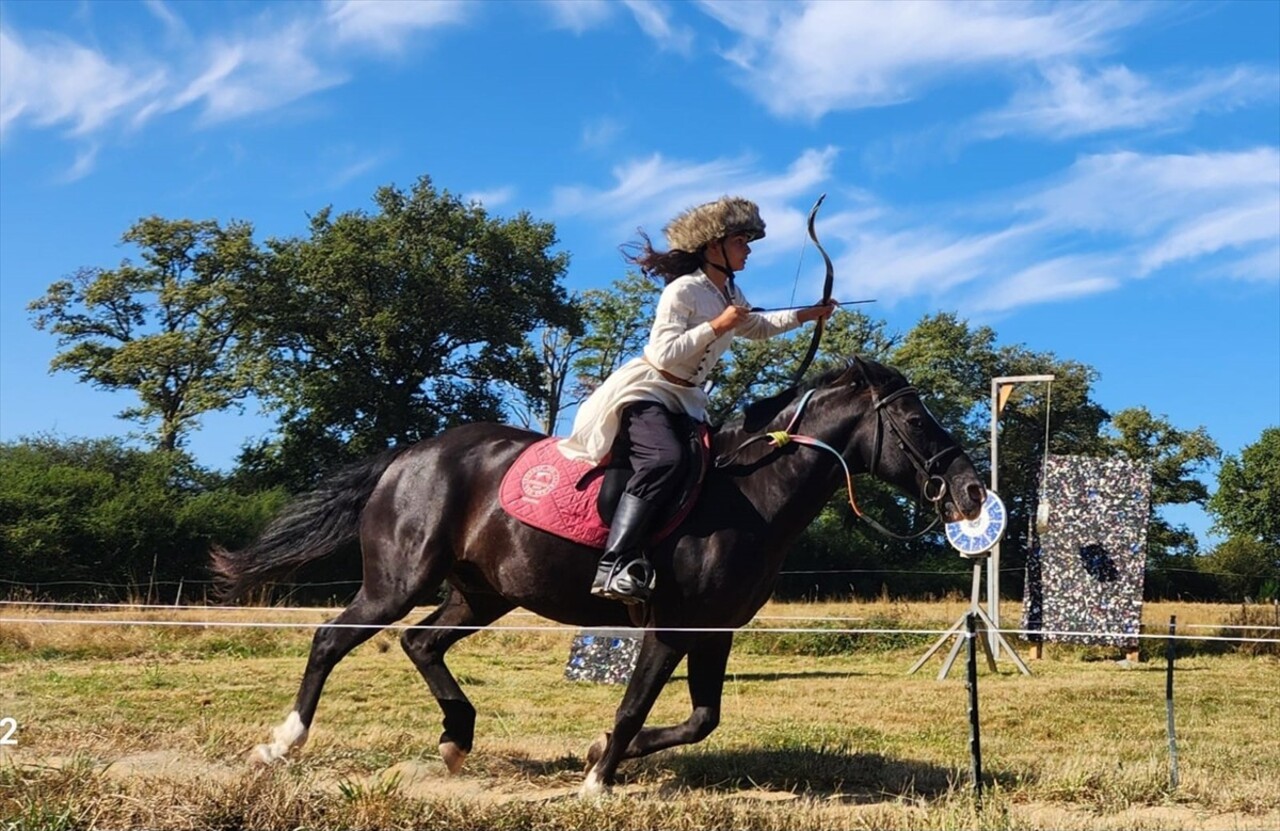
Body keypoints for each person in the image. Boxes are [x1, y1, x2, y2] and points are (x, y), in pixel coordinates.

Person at [558, 196, 836, 604]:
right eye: (741, 240)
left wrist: (807, 314)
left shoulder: (730, 291)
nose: (749, 250)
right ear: (713, 246)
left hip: (687, 400)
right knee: (664, 461)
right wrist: (716, 325)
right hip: (649, 391)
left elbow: (756, 326)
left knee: (712, 468)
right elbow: (664, 354)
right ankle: (612, 565)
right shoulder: (683, 291)